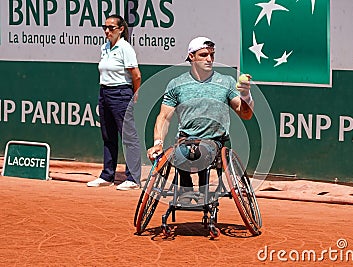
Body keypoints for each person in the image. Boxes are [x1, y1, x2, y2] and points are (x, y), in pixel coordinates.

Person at [146, 36, 254, 202]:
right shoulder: (176, 84)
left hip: (214, 141)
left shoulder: (226, 82)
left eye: (212, 54)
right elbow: (164, 117)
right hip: (185, 140)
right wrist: (158, 143)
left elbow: (245, 114)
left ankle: (201, 192)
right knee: (180, 152)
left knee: (201, 152)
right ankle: (185, 189)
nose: (209, 59)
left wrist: (246, 94)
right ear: (191, 56)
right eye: (204, 55)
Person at [87, 14, 142, 190]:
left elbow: (136, 75)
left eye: (111, 28)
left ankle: (133, 178)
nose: (107, 31)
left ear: (121, 29)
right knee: (108, 136)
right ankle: (107, 175)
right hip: (104, 92)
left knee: (128, 137)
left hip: (121, 93)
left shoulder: (125, 48)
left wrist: (135, 93)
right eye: (105, 27)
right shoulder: (104, 47)